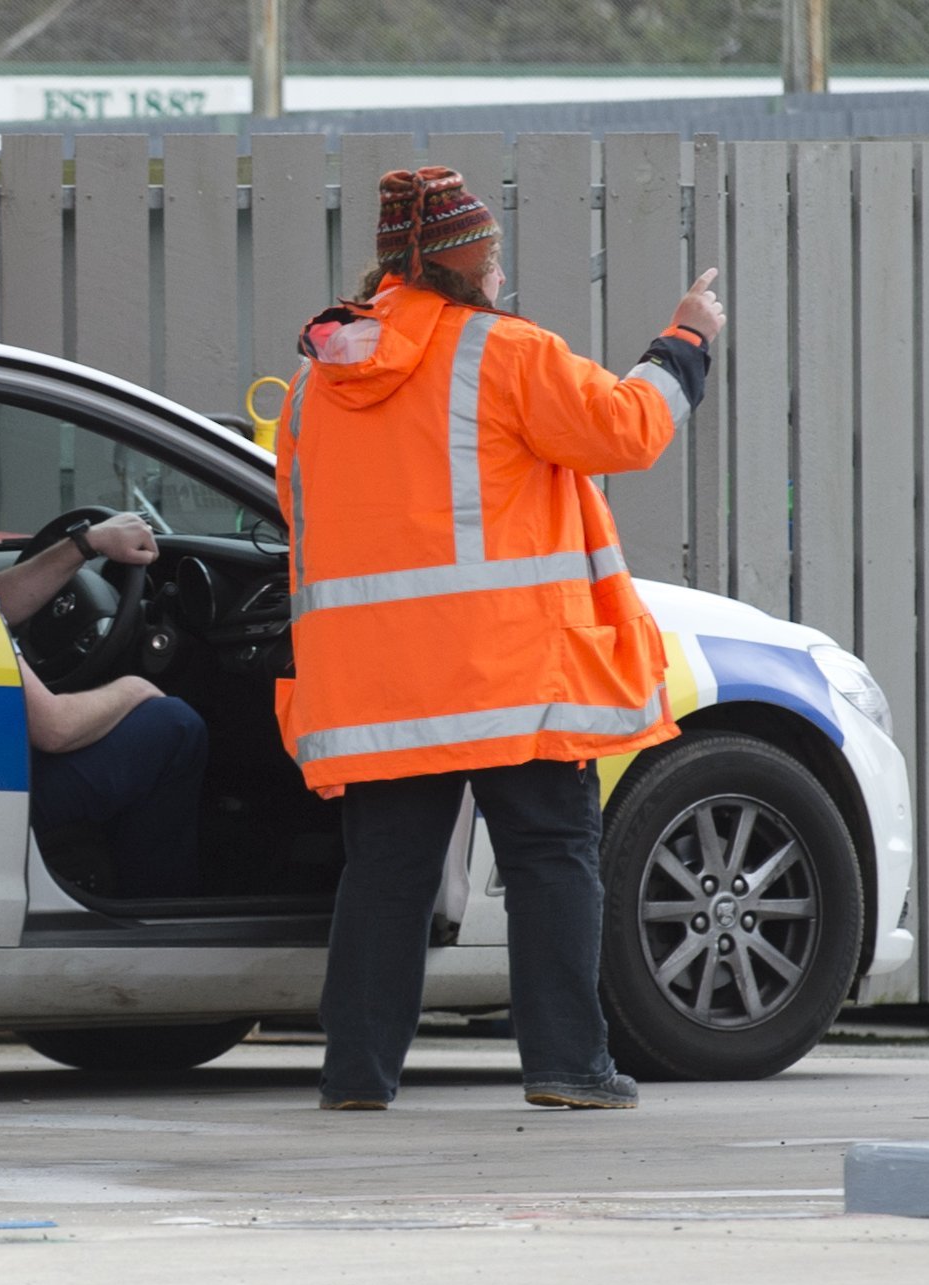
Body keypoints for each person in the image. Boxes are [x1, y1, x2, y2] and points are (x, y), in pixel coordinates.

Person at [275, 166, 725, 1111]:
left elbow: (304, 518)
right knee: (549, 857)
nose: (500, 266)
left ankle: (356, 1074)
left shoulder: (318, 383)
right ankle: (566, 1065)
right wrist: (683, 340)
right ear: (469, 260)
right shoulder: (504, 354)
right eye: (491, 250)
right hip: (510, 674)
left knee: (387, 872)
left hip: (375, 682)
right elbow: (626, 428)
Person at [0, 397, 205, 899]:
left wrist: (84, 546)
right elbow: (54, 729)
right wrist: (135, 687)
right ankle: (155, 910)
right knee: (174, 726)